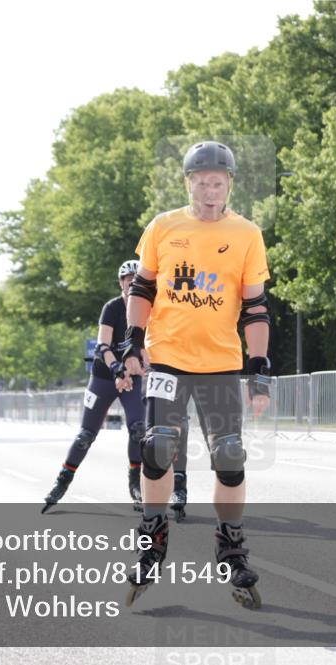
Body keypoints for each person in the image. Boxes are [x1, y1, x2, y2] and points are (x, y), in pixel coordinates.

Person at [117, 141, 272, 609]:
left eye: (217, 183)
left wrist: (258, 366)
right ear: (189, 184)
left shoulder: (247, 234)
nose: (209, 191)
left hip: (221, 363)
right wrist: (133, 339)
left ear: (230, 185)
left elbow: (255, 306)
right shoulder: (163, 226)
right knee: (158, 447)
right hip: (168, 358)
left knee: (230, 455)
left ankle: (231, 547)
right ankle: (152, 540)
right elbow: (143, 287)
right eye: (201, 183)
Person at [41, 260, 148, 514]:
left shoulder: (148, 309)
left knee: (138, 430)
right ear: (121, 283)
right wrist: (117, 369)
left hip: (131, 377)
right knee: (85, 436)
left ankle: (135, 484)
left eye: (137, 280)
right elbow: (102, 346)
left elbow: (148, 347)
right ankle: (62, 482)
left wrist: (141, 367)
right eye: (128, 280)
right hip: (104, 376)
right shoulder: (111, 308)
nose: (132, 283)